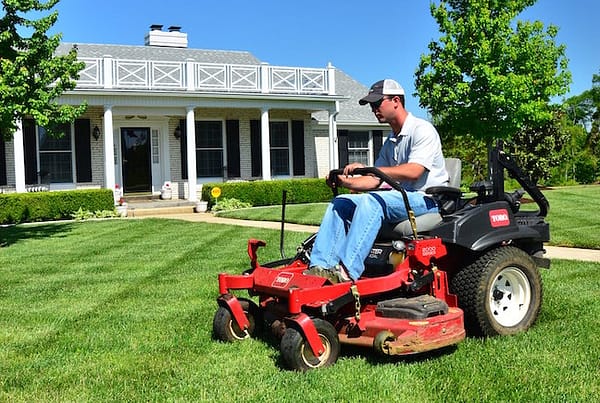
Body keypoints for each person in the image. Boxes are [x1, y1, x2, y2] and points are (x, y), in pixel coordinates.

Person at [305, 79, 449, 283]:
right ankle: (321, 267)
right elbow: (374, 181)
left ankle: (346, 271)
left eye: (377, 103)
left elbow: (415, 171)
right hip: (401, 198)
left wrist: (373, 170)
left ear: (396, 101)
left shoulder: (422, 130)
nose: (374, 109)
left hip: (427, 200)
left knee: (372, 201)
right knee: (341, 203)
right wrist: (344, 182)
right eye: (372, 105)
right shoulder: (391, 141)